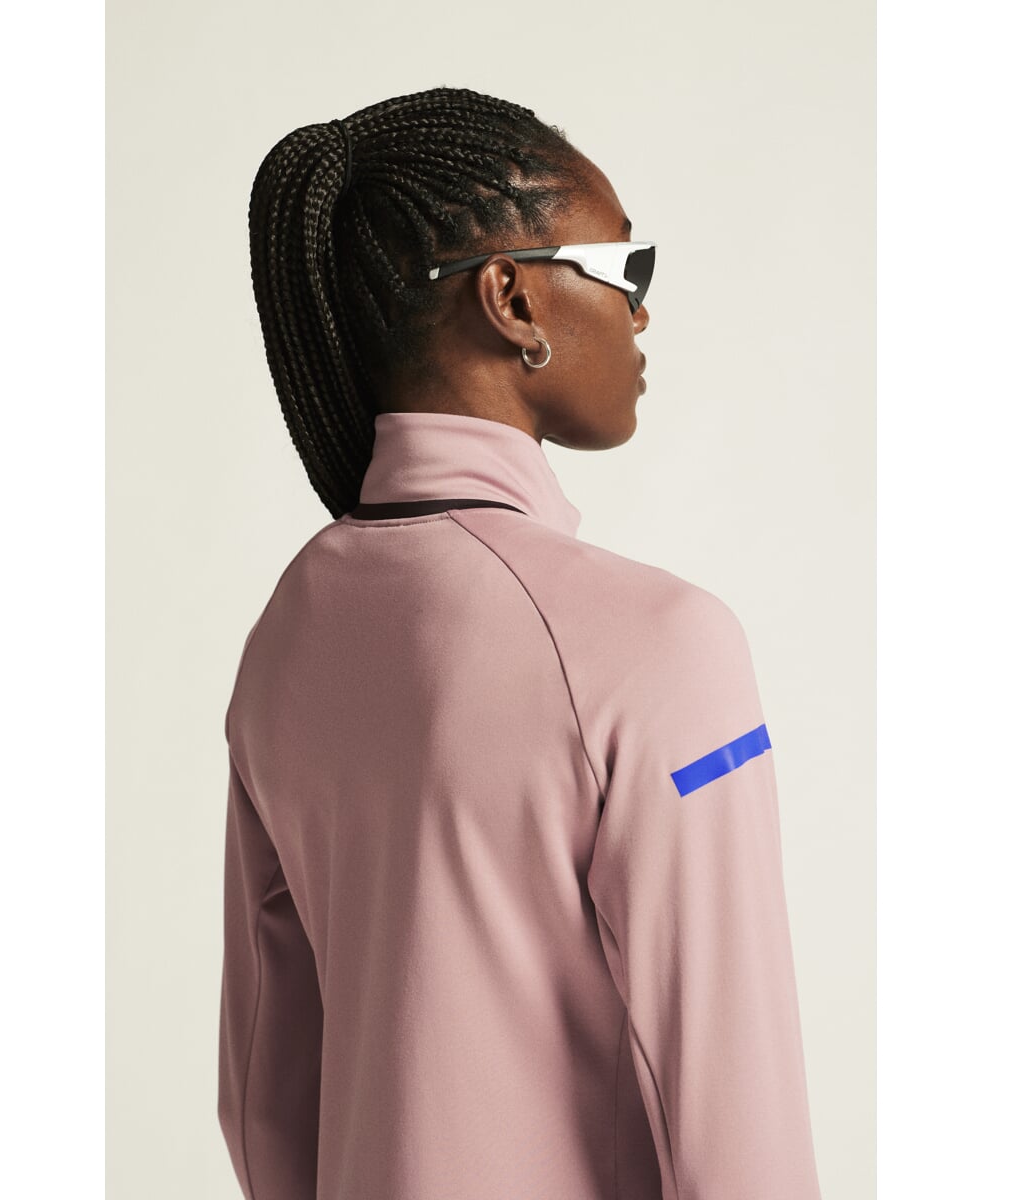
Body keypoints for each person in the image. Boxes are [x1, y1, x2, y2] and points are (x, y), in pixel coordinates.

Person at [218, 85, 823, 1200]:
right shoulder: (660, 646)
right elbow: (734, 1103)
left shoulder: (290, 630)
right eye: (625, 268)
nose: (640, 312)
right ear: (511, 298)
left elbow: (265, 1085)